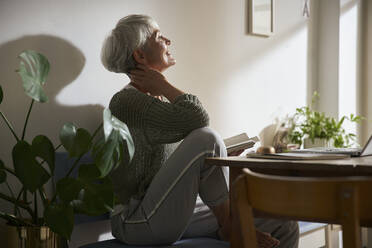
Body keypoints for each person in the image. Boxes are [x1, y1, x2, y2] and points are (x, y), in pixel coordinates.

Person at [101, 14, 299, 247]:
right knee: (207, 137)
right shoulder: (127, 103)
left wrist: (219, 156)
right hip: (135, 221)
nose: (167, 40)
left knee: (283, 225)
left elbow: (174, 166)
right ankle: (229, 226)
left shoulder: (156, 103)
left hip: (166, 212)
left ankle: (231, 225)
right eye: (158, 36)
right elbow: (199, 119)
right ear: (140, 55)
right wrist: (163, 83)